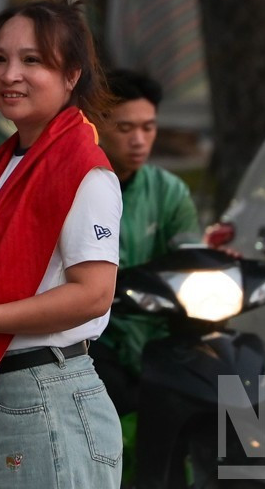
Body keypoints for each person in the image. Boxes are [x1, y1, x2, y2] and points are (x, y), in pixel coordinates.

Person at [0, 0, 122, 489]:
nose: (10, 74)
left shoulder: (83, 169)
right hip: (4, 388)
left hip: (47, 387)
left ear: (72, 75)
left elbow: (94, 294)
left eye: (32, 60)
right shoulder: (4, 165)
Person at [91, 68, 200, 413]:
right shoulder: (80, 185)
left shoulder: (169, 190)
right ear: (98, 125)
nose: (139, 140)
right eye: (125, 128)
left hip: (155, 330)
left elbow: (189, 257)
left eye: (148, 127)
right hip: (95, 334)